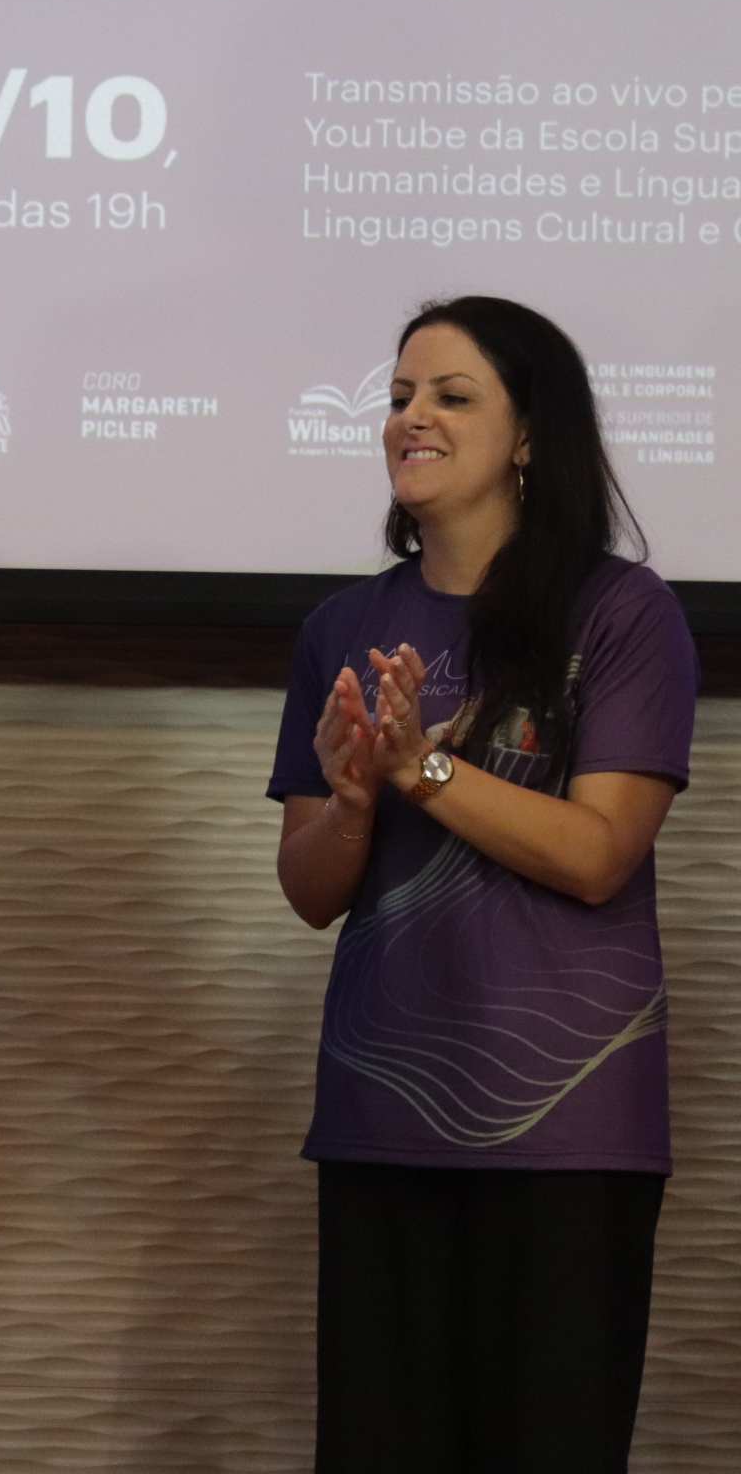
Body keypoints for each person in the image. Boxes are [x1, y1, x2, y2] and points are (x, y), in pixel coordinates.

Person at [268, 296, 699, 1473]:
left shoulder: (623, 612)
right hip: (380, 1116)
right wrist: (354, 803)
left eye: (453, 397)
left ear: (529, 438)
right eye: (401, 395)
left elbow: (599, 852)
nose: (412, 417)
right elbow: (310, 887)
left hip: (570, 1129)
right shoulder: (343, 627)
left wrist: (425, 767)